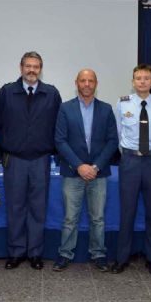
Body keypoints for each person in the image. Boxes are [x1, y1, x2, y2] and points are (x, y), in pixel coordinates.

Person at [0, 51, 62, 270]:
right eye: (28, 66)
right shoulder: (6, 92)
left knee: (38, 208)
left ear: (41, 69)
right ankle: (15, 252)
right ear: (21, 67)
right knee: (15, 207)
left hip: (41, 160)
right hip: (14, 160)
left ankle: (35, 253)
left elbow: (58, 128)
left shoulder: (51, 94)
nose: (32, 70)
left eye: (36, 66)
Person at [52, 69, 118, 272]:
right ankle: (65, 254)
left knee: (97, 218)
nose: (87, 84)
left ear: (96, 83)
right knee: (70, 218)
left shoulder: (106, 109)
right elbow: (60, 140)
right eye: (83, 80)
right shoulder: (65, 108)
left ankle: (98, 254)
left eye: (91, 80)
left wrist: (95, 166)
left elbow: (112, 141)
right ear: (77, 83)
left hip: (99, 173)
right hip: (73, 173)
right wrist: (79, 166)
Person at [112, 64, 151, 276]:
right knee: (127, 212)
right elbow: (118, 133)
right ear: (133, 81)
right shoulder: (122, 103)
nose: (142, 81)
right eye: (138, 78)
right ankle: (122, 258)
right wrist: (130, 153)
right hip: (130, 162)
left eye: (146, 78)